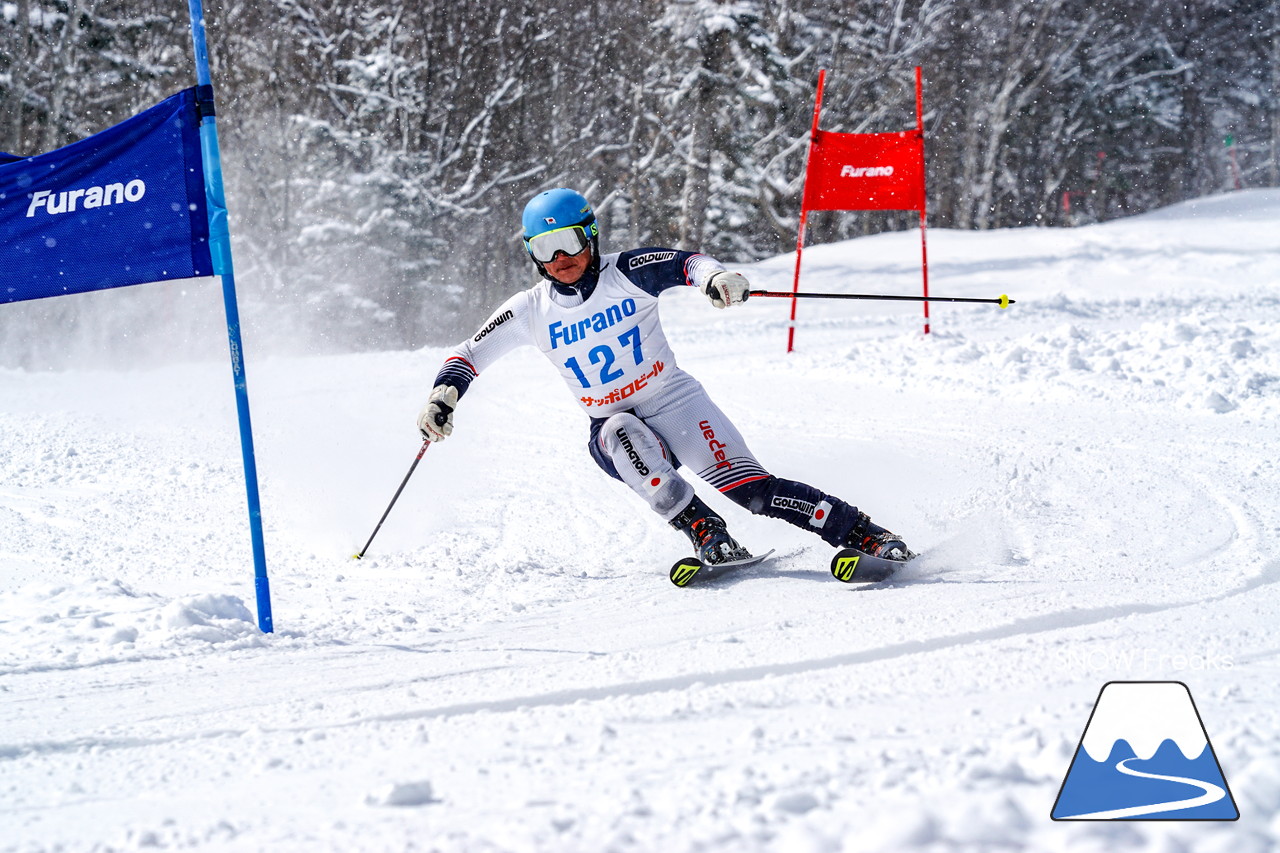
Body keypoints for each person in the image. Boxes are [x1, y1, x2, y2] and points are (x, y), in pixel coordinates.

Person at [418, 188, 911, 568]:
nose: (558, 258)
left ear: (590, 235)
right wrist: (444, 397)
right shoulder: (529, 310)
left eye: (568, 241)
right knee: (620, 435)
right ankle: (708, 534)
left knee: (755, 492)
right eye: (544, 248)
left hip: (676, 405)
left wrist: (716, 280)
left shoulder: (626, 272)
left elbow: (685, 263)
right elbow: (468, 354)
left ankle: (867, 535)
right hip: (614, 427)